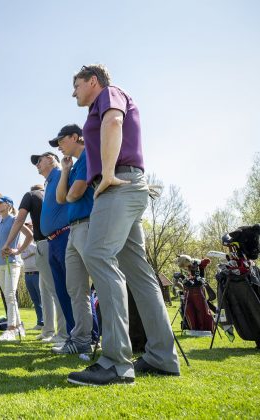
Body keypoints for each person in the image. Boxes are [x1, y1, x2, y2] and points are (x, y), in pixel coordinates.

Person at [67, 64, 180, 386]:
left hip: (118, 186)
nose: (73, 92)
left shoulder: (109, 95)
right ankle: (161, 357)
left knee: (99, 257)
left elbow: (115, 121)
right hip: (130, 186)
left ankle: (116, 363)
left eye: (76, 85)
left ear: (92, 81)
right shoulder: (100, 102)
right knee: (140, 274)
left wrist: (107, 173)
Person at [51, 124, 98, 355]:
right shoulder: (74, 164)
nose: (59, 146)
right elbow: (62, 198)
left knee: (101, 285)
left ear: (75, 137)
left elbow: (76, 193)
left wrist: (71, 192)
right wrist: (66, 170)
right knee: (76, 289)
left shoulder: (89, 154)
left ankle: (111, 338)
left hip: (89, 226)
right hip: (73, 230)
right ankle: (80, 341)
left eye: (61, 141)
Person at [2, 183, 67, 343]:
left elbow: (19, 222)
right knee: (45, 292)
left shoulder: (32, 196)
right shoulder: (49, 196)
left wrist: (8, 244)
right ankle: (48, 330)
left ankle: (63, 333)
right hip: (50, 242)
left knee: (53, 290)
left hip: (45, 243)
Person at [32, 151, 76, 343]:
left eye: (39, 161)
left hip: (64, 235)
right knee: (60, 289)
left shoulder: (59, 174)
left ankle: (74, 334)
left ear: (51, 160)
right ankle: (66, 334)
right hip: (53, 239)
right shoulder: (49, 182)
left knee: (70, 288)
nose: (37, 165)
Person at [0, 196, 33, 341]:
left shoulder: (14, 219)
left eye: (1, 202)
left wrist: (18, 250)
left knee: (10, 295)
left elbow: (29, 235)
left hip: (12, 262)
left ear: (9, 205)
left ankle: (11, 329)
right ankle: (18, 326)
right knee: (8, 296)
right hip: (0, 262)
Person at [20, 222, 43, 330]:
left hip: (37, 273)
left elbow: (37, 250)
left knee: (42, 299)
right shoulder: (22, 243)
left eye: (29, 226)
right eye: (27, 226)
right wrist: (30, 251)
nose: (28, 228)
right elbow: (22, 255)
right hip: (27, 273)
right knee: (35, 300)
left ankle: (47, 323)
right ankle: (40, 322)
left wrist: (28, 249)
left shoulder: (38, 240)